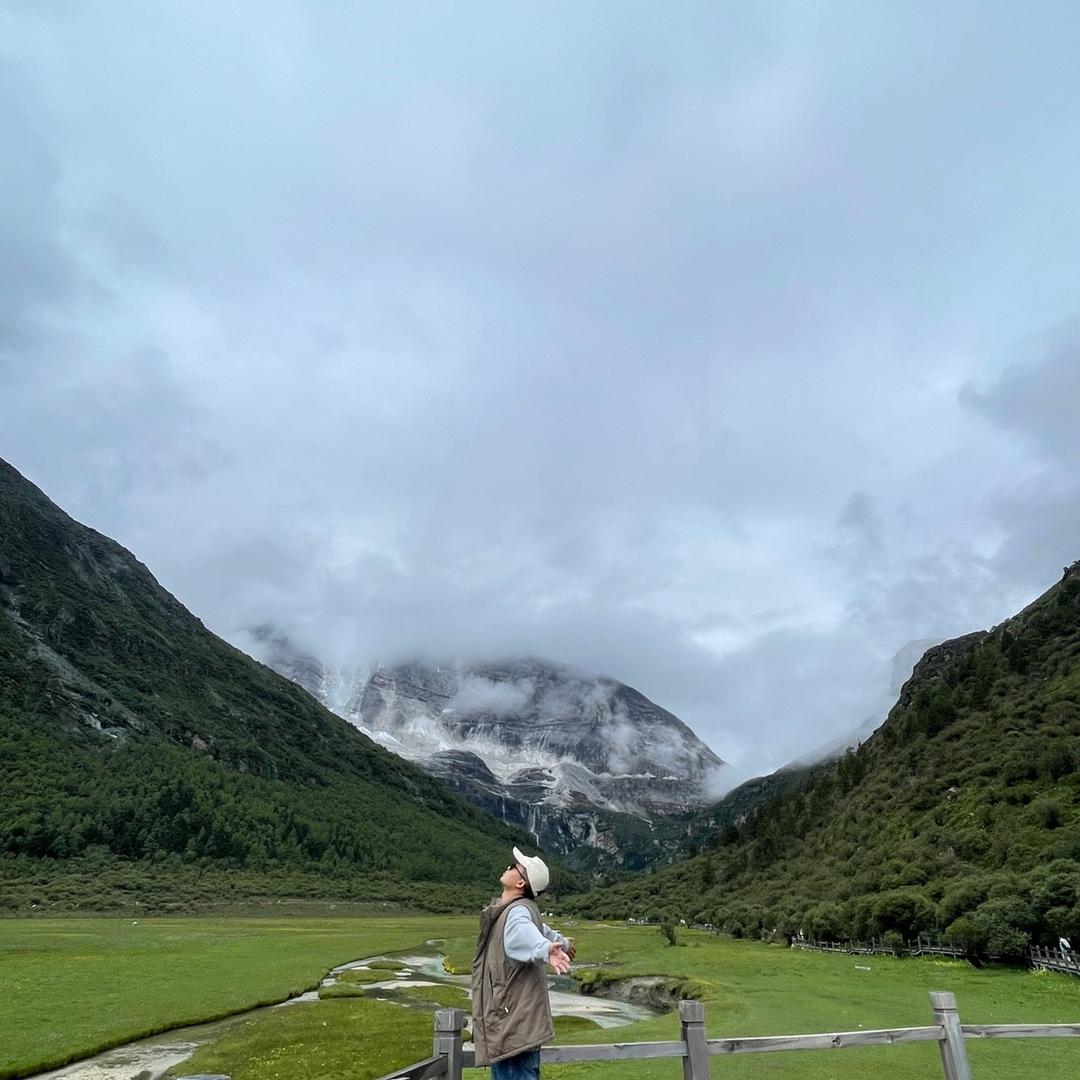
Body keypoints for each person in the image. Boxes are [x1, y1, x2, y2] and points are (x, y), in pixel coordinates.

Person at [472, 846, 575, 1080]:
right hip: (519, 1027)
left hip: (512, 1028)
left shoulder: (516, 912)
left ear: (520, 884)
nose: (508, 867)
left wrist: (544, 950)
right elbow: (541, 931)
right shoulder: (521, 910)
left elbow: (525, 934)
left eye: (514, 867)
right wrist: (563, 943)